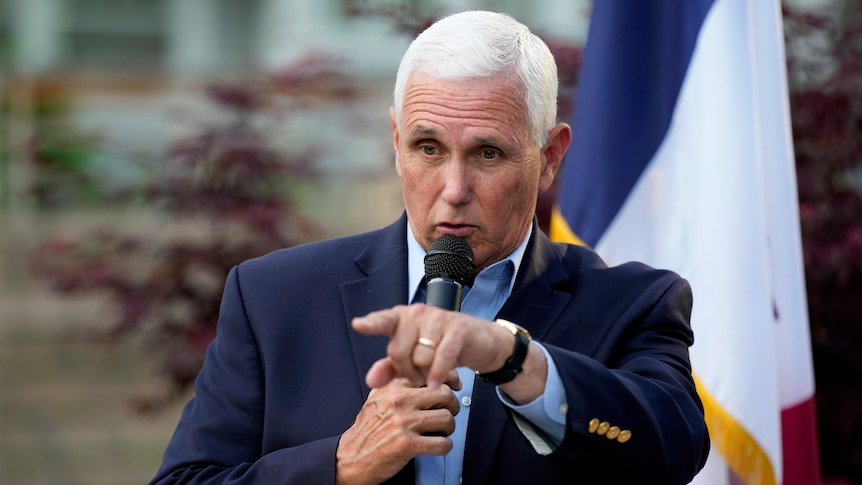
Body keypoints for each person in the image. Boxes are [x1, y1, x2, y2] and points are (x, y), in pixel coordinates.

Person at [150, 10, 709, 485]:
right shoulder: (273, 295)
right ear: (396, 143)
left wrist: (510, 358)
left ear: (551, 157)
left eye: (487, 153)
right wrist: (338, 466)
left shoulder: (634, 301)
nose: (454, 190)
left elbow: (675, 448)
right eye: (428, 147)